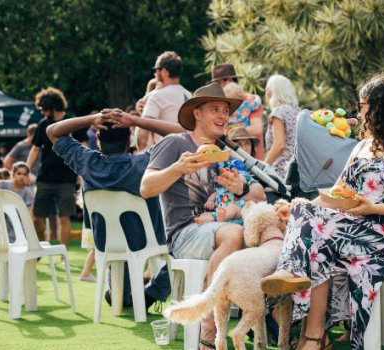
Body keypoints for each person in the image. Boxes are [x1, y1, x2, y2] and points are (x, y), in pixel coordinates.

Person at [260, 74, 384, 350]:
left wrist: (374, 207)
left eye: (363, 105)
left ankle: (309, 324)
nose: (359, 112)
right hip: (354, 224)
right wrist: (298, 209)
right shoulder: (362, 146)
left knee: (316, 240)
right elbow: (337, 192)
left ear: (381, 107)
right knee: (309, 220)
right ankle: (314, 335)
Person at [140, 82, 266, 349]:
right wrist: (177, 168)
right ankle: (208, 333)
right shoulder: (176, 143)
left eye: (225, 111)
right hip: (184, 233)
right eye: (214, 110)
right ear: (197, 113)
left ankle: (278, 326)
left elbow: (259, 194)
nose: (222, 116)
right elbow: (146, 188)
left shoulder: (226, 153)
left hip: (222, 229)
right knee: (235, 233)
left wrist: (241, 188)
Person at [46, 109, 182, 310]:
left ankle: (120, 294)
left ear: (98, 137)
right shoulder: (145, 163)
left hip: (107, 243)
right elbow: (182, 134)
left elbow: (52, 131)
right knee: (185, 248)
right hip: (148, 241)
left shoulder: (87, 163)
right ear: (129, 136)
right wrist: (135, 120)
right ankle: (152, 292)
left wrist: (90, 118)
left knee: (120, 288)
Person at [26, 87, 87, 246]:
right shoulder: (43, 124)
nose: (43, 113)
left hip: (67, 178)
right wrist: (26, 169)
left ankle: (63, 254)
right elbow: (35, 148)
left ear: (53, 107)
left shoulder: (71, 122)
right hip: (45, 177)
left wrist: (82, 172)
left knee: (64, 217)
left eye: (44, 109)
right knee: (37, 216)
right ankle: (40, 246)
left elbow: (83, 146)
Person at [211, 64, 265, 159]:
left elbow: (256, 130)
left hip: (252, 158)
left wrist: (229, 131)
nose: (217, 88)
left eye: (219, 83)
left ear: (230, 80)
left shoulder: (250, 102)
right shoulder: (219, 105)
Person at [141, 51, 191, 149]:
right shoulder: (188, 95)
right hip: (187, 151)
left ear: (164, 71)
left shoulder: (157, 96)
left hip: (163, 153)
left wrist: (141, 154)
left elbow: (144, 129)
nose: (155, 73)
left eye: (156, 70)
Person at [193, 159, 255, 225]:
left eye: (228, 172)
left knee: (232, 207)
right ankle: (204, 220)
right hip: (219, 212)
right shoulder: (219, 188)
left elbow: (244, 179)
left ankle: (223, 217)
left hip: (237, 210)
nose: (225, 174)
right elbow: (214, 194)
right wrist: (210, 201)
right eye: (222, 173)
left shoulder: (239, 182)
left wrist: (234, 176)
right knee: (206, 214)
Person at [264, 74, 300, 179]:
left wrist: (264, 165)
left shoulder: (278, 112)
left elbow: (279, 145)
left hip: (282, 172)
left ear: (272, 92)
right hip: (298, 170)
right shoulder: (298, 111)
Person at [0, 162, 35, 243]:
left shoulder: (27, 192)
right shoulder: (2, 184)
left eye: (25, 174)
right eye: (19, 173)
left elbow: (29, 213)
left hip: (16, 222)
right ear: (13, 174)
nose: (22, 176)